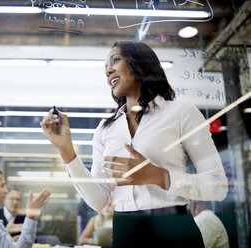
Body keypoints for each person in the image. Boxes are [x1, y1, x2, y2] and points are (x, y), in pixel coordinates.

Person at [40, 41, 228, 247]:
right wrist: (66, 150)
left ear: (140, 63)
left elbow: (218, 187)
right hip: (125, 232)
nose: (108, 71)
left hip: (174, 227)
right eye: (105, 67)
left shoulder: (181, 112)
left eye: (115, 60)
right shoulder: (105, 129)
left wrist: (160, 176)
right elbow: (99, 201)